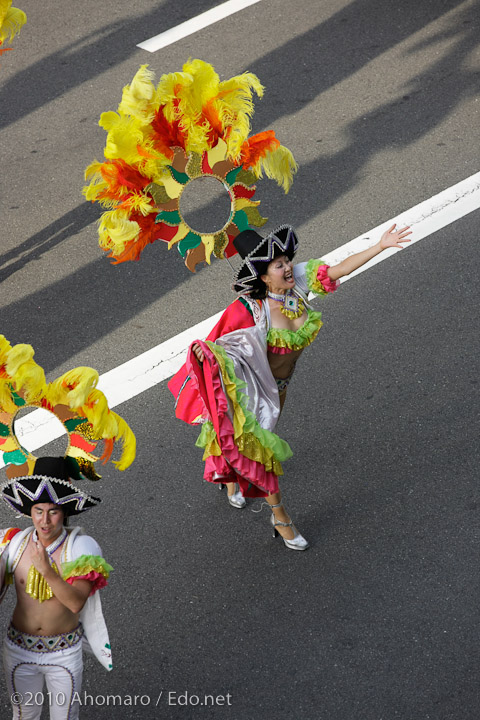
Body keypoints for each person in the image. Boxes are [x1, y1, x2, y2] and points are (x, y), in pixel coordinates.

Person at [169, 222, 411, 550]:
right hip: (252, 392)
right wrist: (204, 352)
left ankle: (230, 476)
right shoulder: (249, 309)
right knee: (263, 453)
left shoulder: (298, 280)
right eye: (278, 265)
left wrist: (380, 245)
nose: (286, 267)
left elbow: (338, 269)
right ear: (263, 277)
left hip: (278, 389)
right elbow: (218, 344)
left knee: (251, 447)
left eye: (285, 260)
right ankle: (281, 518)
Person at [0, 456, 113, 720]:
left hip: (63, 654)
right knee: (23, 715)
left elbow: (75, 603)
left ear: (65, 512)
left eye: (53, 511)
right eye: (38, 511)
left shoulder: (82, 549)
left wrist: (46, 570)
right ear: (30, 511)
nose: (45, 521)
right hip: (18, 648)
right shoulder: (12, 543)